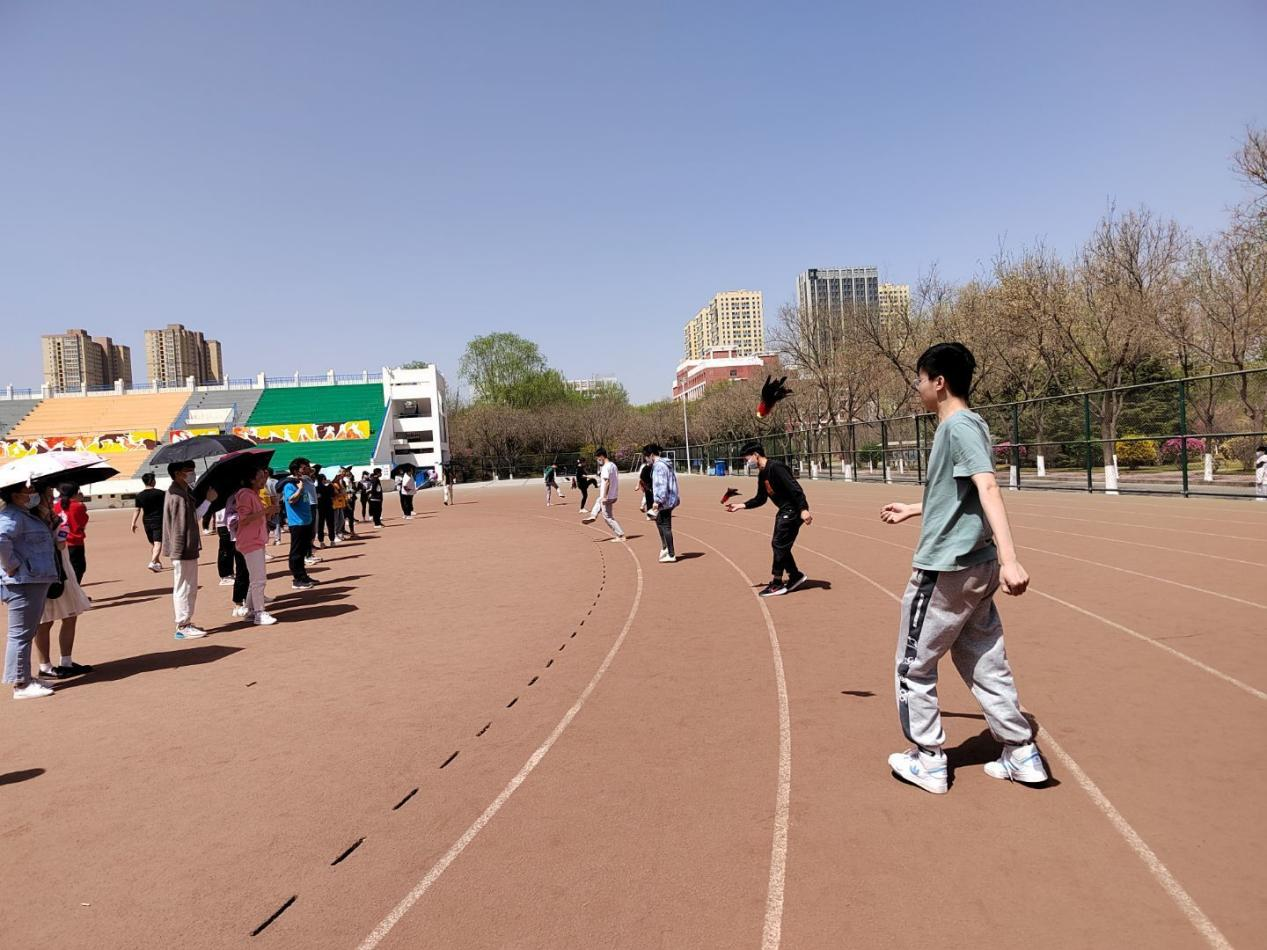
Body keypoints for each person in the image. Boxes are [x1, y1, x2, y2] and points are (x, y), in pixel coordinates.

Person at [879, 342, 1046, 795]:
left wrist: (1011, 559)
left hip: (946, 569)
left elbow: (987, 486)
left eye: (919, 380)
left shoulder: (958, 427)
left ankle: (928, 759)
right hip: (975, 568)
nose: (917, 389)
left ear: (939, 382)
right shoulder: (968, 426)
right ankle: (1021, 753)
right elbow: (959, 494)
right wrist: (914, 508)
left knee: (913, 665)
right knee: (984, 660)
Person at [726, 442, 812, 596]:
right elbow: (760, 498)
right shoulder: (762, 474)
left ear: (756, 455)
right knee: (781, 545)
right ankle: (795, 575)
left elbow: (795, 488)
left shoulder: (776, 468)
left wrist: (803, 509)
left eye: (747, 459)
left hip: (793, 511)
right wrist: (741, 505)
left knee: (778, 543)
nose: (747, 462)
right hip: (784, 511)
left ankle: (777, 582)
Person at [1, 481, 59, 699]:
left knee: (26, 632)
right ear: (15, 495)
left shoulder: (24, 515)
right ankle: (21, 684)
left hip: (32, 579)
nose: (34, 493)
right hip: (23, 581)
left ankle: (24, 676)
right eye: (29, 491)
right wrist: (12, 565)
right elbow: (1, 539)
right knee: (21, 634)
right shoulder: (12, 516)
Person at [34, 484, 93, 678]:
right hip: (47, 571)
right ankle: (45, 665)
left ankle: (65, 661)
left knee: (70, 614)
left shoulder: (52, 515)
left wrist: (61, 532)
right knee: (45, 621)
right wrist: (57, 537)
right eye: (48, 495)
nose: (52, 499)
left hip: (62, 568)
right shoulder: (34, 519)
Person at [162, 461, 216, 640]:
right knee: (184, 586)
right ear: (178, 473)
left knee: (188, 586)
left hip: (186, 546)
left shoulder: (182, 492)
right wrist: (208, 501)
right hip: (183, 548)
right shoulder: (177, 495)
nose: (192, 473)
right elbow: (182, 525)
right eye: (188, 471)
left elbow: (191, 518)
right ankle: (183, 625)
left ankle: (185, 622)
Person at [232, 466, 278, 626]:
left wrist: (269, 511)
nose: (263, 480)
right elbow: (244, 519)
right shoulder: (245, 494)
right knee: (259, 579)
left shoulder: (253, 494)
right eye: (260, 477)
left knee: (256, 579)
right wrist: (266, 511)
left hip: (256, 539)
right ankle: (259, 612)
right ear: (251, 479)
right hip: (250, 541)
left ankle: (252, 610)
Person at [283, 457, 318, 590]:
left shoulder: (301, 481)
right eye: (304, 467)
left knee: (303, 551)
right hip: (297, 523)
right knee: (296, 552)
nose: (307, 469)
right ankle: (297, 579)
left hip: (306, 521)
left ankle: (303, 576)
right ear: (296, 470)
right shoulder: (290, 485)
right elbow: (291, 500)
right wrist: (300, 489)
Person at [644, 444, 679, 563]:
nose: (646, 459)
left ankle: (671, 554)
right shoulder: (665, 464)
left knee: (665, 526)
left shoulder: (659, 466)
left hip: (665, 500)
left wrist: (657, 501)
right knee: (660, 522)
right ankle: (666, 548)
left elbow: (661, 484)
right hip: (669, 498)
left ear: (651, 455)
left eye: (646, 457)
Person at [581, 447, 624, 542]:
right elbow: (614, 479)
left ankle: (620, 535)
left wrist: (605, 496)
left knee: (607, 517)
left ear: (601, 456)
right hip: (613, 494)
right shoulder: (613, 465)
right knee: (598, 500)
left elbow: (607, 482)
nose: (597, 461)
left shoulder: (605, 467)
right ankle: (593, 515)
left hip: (607, 496)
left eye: (597, 458)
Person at [131, 472, 166, 572]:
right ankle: (153, 562)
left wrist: (133, 523)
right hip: (158, 520)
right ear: (152, 481)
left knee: (154, 543)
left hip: (146, 521)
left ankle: (158, 562)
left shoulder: (139, 495)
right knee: (158, 542)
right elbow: (167, 506)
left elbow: (137, 510)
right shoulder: (160, 493)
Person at [55, 482, 89, 584]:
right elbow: (83, 523)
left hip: (60, 541)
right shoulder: (78, 506)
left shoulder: (56, 506)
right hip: (75, 542)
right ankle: (75, 589)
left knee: (65, 568)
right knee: (78, 568)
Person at [214, 507, 236, 586]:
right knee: (226, 548)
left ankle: (230, 573)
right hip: (223, 521)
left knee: (234, 548)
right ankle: (225, 575)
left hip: (234, 518)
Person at [315, 473, 338, 547]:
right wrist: (330, 484)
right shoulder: (329, 487)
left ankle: (321, 542)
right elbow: (334, 495)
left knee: (320, 525)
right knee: (330, 524)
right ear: (323, 479)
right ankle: (332, 541)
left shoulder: (316, 488)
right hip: (329, 507)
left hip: (320, 508)